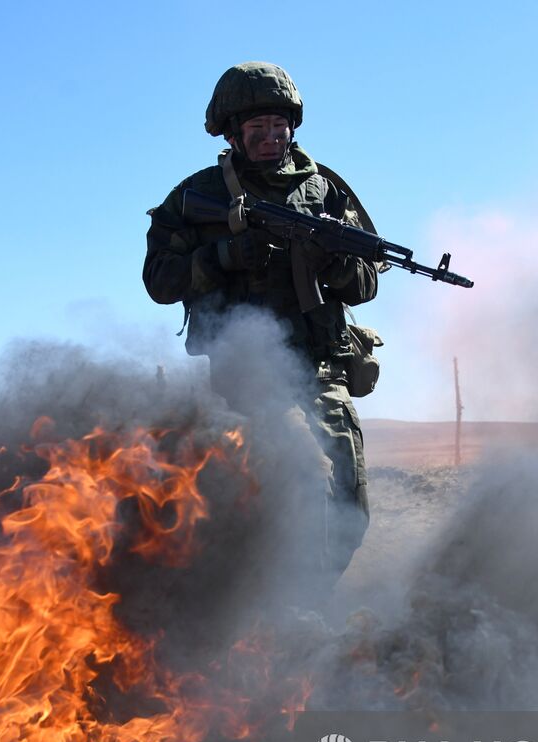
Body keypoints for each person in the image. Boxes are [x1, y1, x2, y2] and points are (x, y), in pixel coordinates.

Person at [143, 61, 379, 580]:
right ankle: (291, 622)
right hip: (246, 380)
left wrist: (334, 259)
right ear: (232, 133)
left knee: (349, 506)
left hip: (322, 369)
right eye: (257, 130)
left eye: (279, 127)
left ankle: (305, 600)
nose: (272, 139)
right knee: (298, 480)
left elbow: (368, 281)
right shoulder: (195, 196)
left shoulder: (325, 189)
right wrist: (226, 255)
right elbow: (160, 280)